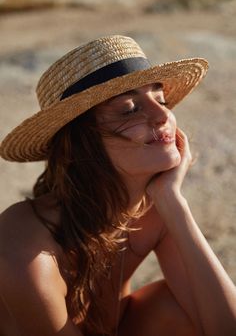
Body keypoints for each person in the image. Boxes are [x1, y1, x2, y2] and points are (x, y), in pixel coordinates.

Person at [0, 35, 235, 336]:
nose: (163, 115)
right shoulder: (26, 249)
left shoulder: (154, 209)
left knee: (180, 304)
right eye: (130, 109)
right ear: (81, 144)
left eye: (161, 100)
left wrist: (173, 201)